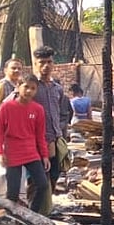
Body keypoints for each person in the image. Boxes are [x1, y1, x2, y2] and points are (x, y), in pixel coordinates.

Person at [0, 74, 51, 213]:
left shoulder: (38, 109)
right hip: (12, 152)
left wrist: (44, 156)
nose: (29, 91)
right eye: (26, 87)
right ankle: (11, 217)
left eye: (33, 88)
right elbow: (0, 131)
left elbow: (40, 135)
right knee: (13, 192)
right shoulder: (6, 106)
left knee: (43, 184)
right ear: (18, 86)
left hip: (31, 152)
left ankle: (32, 214)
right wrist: (0, 152)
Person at [31, 46, 70, 213]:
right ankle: (34, 210)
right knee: (37, 177)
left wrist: (61, 132)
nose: (46, 66)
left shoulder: (57, 89)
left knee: (54, 172)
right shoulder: (31, 87)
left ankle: (46, 208)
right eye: (42, 63)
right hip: (36, 140)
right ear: (36, 64)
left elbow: (62, 112)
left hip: (55, 138)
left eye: (49, 62)